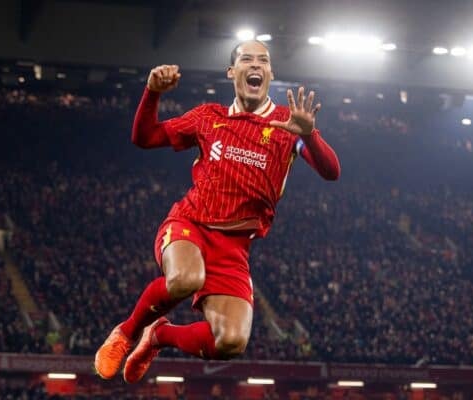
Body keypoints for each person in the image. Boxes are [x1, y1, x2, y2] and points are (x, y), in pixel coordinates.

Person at [94, 40, 340, 383]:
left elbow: (331, 171)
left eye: (263, 61)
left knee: (231, 342)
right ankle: (126, 332)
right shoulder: (209, 117)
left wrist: (310, 135)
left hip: (235, 246)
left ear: (270, 74)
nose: (255, 65)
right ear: (232, 71)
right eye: (246, 59)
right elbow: (145, 137)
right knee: (185, 279)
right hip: (190, 224)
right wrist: (151, 92)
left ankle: (158, 336)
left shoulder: (288, 125)